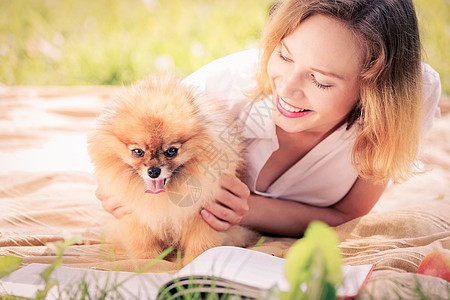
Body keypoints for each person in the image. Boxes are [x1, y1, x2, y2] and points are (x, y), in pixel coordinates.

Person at [96, 0, 441, 237]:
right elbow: (125, 157)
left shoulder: (408, 100)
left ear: (374, 90)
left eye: (321, 80)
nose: (286, 91)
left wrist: (248, 209)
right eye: (284, 56)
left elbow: (349, 214)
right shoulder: (210, 97)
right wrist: (125, 193)